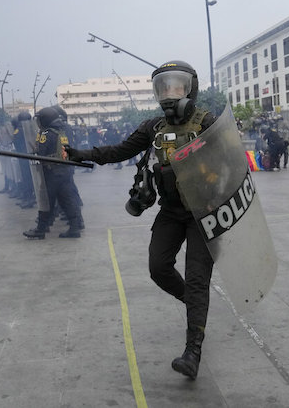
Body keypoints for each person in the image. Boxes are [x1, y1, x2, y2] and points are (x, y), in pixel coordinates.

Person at [67, 60, 217, 380]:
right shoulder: (153, 127)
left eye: (176, 86)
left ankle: (193, 349)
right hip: (171, 211)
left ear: (191, 87)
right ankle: (194, 305)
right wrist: (83, 154)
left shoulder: (208, 122)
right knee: (157, 268)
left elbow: (231, 166)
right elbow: (119, 151)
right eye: (163, 86)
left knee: (196, 278)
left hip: (203, 213)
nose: (169, 93)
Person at [23, 106, 83, 239]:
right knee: (66, 200)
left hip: (52, 173)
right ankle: (75, 227)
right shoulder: (62, 131)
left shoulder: (46, 133)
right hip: (64, 171)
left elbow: (41, 153)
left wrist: (34, 152)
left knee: (45, 201)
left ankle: (40, 230)